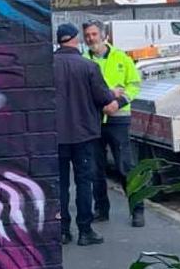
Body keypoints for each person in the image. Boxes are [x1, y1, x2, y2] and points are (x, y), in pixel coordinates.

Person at [54, 23, 123, 246]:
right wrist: (114, 93)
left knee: (60, 184)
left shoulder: (47, 67)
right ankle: (85, 231)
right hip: (84, 135)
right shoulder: (88, 66)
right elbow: (103, 98)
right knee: (84, 182)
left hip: (56, 136)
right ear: (75, 39)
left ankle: (63, 230)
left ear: (59, 41)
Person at [82, 20, 144, 227]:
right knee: (96, 168)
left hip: (118, 119)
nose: (90, 38)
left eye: (93, 34)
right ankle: (101, 210)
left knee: (125, 166)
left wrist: (119, 102)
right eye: (87, 35)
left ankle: (137, 210)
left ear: (103, 35)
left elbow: (134, 85)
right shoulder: (83, 60)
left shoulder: (121, 58)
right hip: (94, 120)